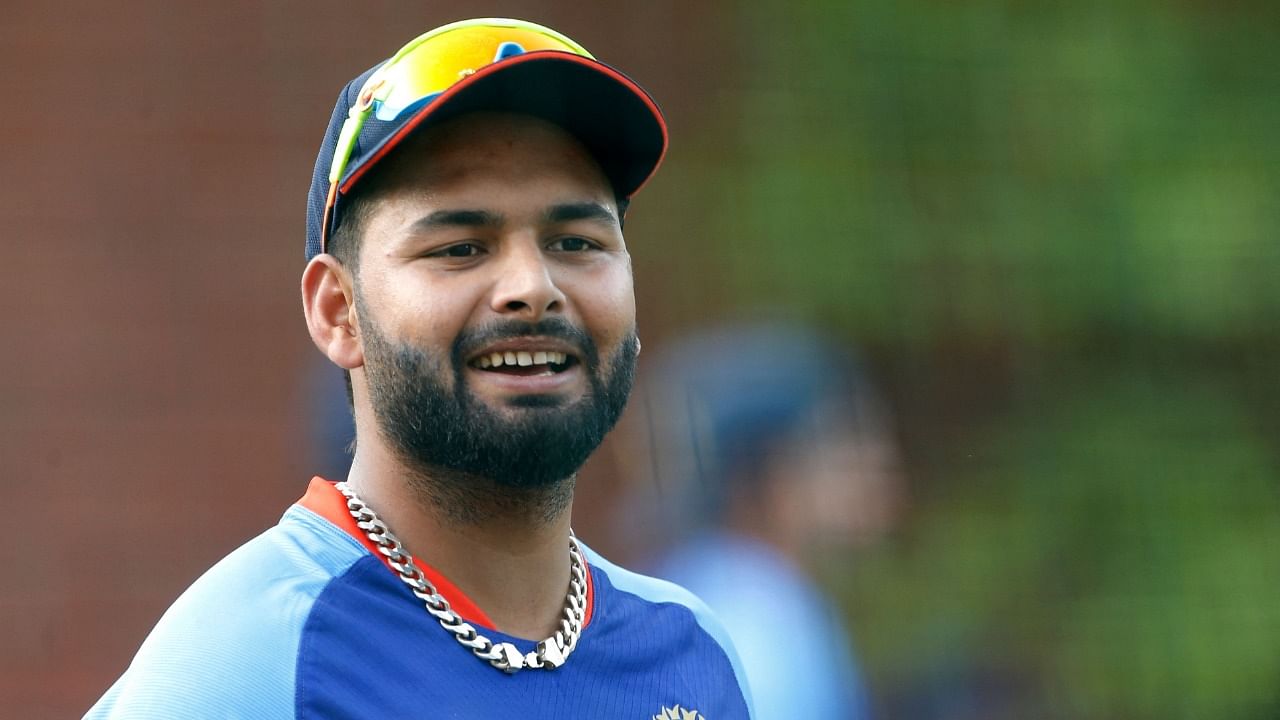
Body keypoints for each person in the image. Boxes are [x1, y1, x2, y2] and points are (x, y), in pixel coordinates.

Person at [85, 18, 752, 719]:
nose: (532, 284)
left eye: (575, 241)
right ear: (338, 313)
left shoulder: (693, 654)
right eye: (460, 247)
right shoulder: (246, 669)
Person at [626, 324, 905, 719]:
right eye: (844, 439)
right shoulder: (752, 629)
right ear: (764, 477)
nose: (877, 462)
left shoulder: (722, 591)